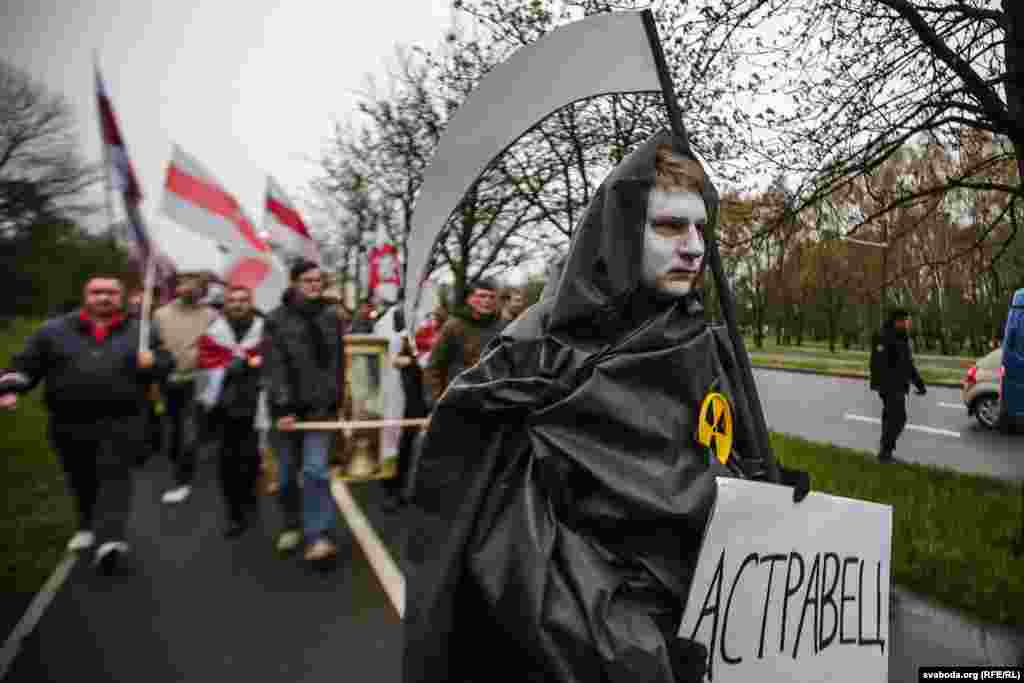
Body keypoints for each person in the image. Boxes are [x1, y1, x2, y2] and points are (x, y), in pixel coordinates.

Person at [402, 131, 809, 683]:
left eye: (700, 228)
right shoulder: (539, 353)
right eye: (670, 226)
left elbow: (717, 456)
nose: (694, 247)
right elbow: (519, 558)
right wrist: (637, 653)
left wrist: (768, 489)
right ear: (620, 231)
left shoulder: (707, 344)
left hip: (711, 635)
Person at [0, 276, 174, 574]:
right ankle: (86, 524)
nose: (104, 298)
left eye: (111, 293)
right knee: (81, 477)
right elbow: (25, 364)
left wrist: (154, 362)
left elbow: (166, 363)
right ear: (85, 295)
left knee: (114, 477)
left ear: (121, 297)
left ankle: (111, 541)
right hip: (68, 421)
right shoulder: (53, 331)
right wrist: (12, 388)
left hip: (123, 419)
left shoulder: (141, 331)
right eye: (97, 292)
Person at [264, 260, 345, 564]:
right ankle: (291, 523)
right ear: (294, 282)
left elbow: (338, 362)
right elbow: (274, 367)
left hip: (320, 409)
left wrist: (337, 398)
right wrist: (283, 407)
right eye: (308, 280)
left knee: (315, 470)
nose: (314, 285)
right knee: (287, 475)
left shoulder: (331, 316)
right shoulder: (276, 319)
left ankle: (318, 535)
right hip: (288, 412)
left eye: (318, 280)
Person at [196, 285, 266, 537]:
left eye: (243, 300)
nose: (238, 304)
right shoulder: (214, 333)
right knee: (227, 462)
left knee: (252, 458)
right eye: (233, 300)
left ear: (251, 302)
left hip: (256, 404)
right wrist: (226, 367)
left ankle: (250, 501)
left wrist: (252, 363)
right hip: (224, 407)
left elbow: (272, 359)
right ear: (226, 304)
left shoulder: (264, 330)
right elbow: (204, 364)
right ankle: (234, 513)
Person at [153, 273, 218, 503]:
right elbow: (153, 347)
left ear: (203, 290)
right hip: (168, 380)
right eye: (185, 283)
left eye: (196, 284)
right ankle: (177, 460)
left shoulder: (211, 315)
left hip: (198, 380)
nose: (190, 288)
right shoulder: (160, 315)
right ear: (177, 287)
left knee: (189, 432)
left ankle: (183, 481)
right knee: (173, 430)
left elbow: (218, 347)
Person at [422, 278, 502, 407]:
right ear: (469, 299)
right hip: (459, 398)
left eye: (492, 297)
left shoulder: (503, 327)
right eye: (482, 296)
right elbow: (434, 367)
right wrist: (435, 402)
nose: (487, 301)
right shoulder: (453, 326)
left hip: (494, 400)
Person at [870, 307, 926, 462]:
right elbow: (877, 363)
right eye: (906, 320)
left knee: (891, 419)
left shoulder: (902, 336)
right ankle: (885, 451)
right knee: (898, 419)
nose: (908, 323)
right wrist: (884, 385)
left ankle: (885, 452)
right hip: (890, 386)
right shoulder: (884, 336)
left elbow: (908, 363)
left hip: (898, 385)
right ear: (897, 321)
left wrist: (919, 384)